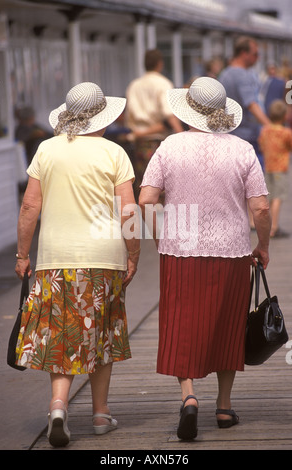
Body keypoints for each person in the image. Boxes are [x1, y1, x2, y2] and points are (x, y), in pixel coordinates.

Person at [139, 77, 271, 441]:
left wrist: (159, 235)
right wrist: (264, 246)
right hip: (232, 251)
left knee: (182, 324)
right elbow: (260, 206)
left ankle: (189, 397)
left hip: (180, 250)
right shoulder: (243, 149)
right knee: (228, 326)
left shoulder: (170, 145)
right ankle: (224, 407)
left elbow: (146, 199)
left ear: (188, 108)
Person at [14, 82, 140, 447]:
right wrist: (133, 253)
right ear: (102, 117)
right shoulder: (114, 153)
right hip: (104, 259)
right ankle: (100, 414)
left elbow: (28, 207)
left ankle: (58, 406)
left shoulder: (46, 149)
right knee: (102, 332)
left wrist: (23, 255)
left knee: (61, 335)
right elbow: (128, 210)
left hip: (55, 260)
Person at [126, 49, 183, 199]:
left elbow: (129, 116)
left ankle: (148, 222)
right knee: (162, 190)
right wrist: (181, 136)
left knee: (144, 187)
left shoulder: (134, 85)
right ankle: (163, 222)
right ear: (160, 64)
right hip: (158, 142)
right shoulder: (163, 83)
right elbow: (168, 114)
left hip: (139, 142)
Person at [219, 36, 270, 170]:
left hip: (231, 134)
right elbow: (252, 104)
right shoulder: (241, 75)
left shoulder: (225, 74)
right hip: (247, 136)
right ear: (243, 53)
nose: (257, 58)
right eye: (255, 54)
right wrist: (270, 126)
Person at [258, 99, 292, 238]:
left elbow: (261, 144)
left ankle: (268, 226)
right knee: (278, 198)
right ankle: (274, 227)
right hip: (280, 168)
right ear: (285, 116)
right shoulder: (286, 132)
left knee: (270, 198)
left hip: (268, 167)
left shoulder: (265, 130)